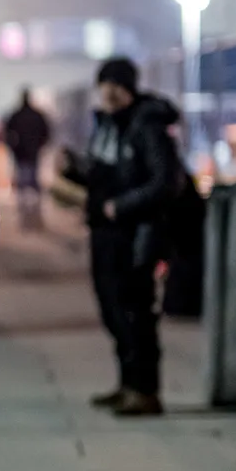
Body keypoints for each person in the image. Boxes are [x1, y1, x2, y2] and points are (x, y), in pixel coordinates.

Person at [61, 57, 183, 416]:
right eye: (105, 84)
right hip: (105, 233)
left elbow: (165, 182)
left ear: (129, 87)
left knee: (135, 311)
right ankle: (127, 383)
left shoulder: (148, 125)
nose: (109, 92)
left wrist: (120, 206)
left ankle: (146, 390)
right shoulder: (108, 126)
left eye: (116, 84)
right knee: (112, 309)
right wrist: (74, 170)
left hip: (135, 235)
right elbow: (105, 175)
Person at [2, 88, 54, 231]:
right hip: (33, 154)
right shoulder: (37, 115)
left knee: (23, 186)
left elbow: (7, 133)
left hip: (21, 155)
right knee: (34, 185)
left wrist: (14, 147)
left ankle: (25, 218)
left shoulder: (16, 115)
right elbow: (46, 133)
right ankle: (34, 217)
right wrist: (39, 146)